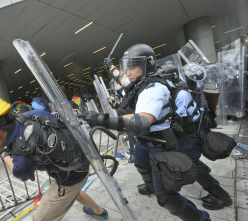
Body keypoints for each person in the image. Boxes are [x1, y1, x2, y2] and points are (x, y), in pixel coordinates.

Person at [88, 44, 211, 220]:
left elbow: (142, 122)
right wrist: (111, 67)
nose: (127, 72)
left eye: (132, 68)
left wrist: (101, 120)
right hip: (144, 141)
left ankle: (201, 218)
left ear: (147, 66)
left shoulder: (154, 89)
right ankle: (151, 187)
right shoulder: (140, 80)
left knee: (167, 197)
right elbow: (123, 79)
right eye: (126, 68)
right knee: (141, 165)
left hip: (159, 143)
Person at [0, 94, 108, 221]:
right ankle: (99, 211)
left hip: (70, 177)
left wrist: (3, 154)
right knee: (75, 193)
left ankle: (98, 211)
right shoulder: (31, 115)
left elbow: (19, 172)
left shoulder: (22, 156)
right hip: (81, 161)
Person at [170, 68, 233, 210]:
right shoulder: (194, 88)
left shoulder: (183, 93)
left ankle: (222, 196)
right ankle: (204, 171)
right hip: (196, 132)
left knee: (193, 166)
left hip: (191, 135)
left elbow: (178, 118)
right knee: (191, 161)